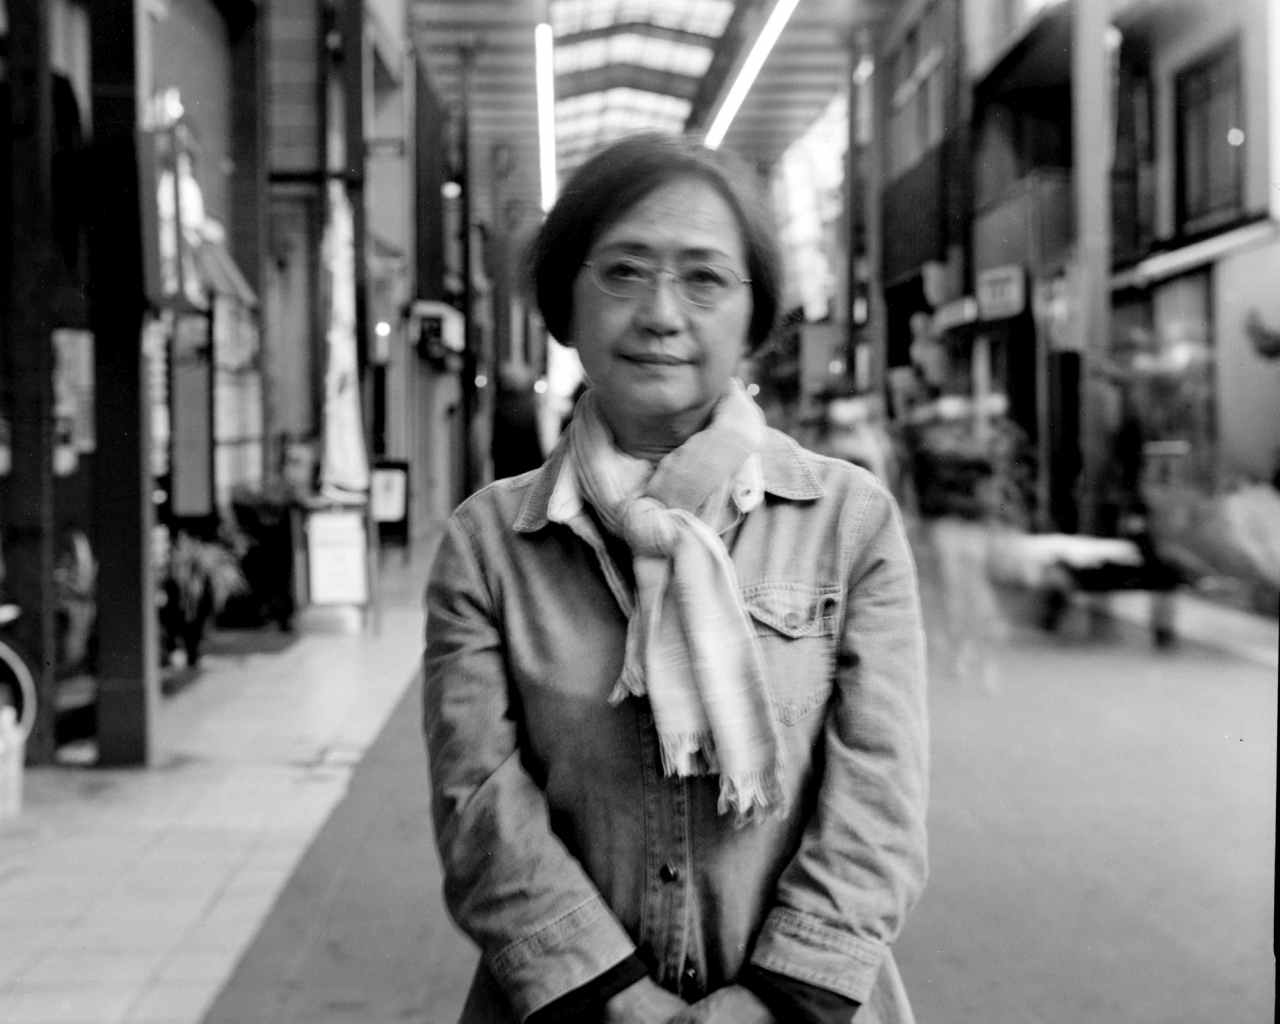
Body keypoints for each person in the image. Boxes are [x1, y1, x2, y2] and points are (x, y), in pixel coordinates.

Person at [423, 132, 929, 1024]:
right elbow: (480, 809)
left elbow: (878, 796)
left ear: (754, 316)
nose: (661, 313)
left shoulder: (848, 522)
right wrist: (617, 1000)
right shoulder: (490, 543)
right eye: (623, 271)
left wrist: (775, 999)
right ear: (566, 302)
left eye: (704, 278)